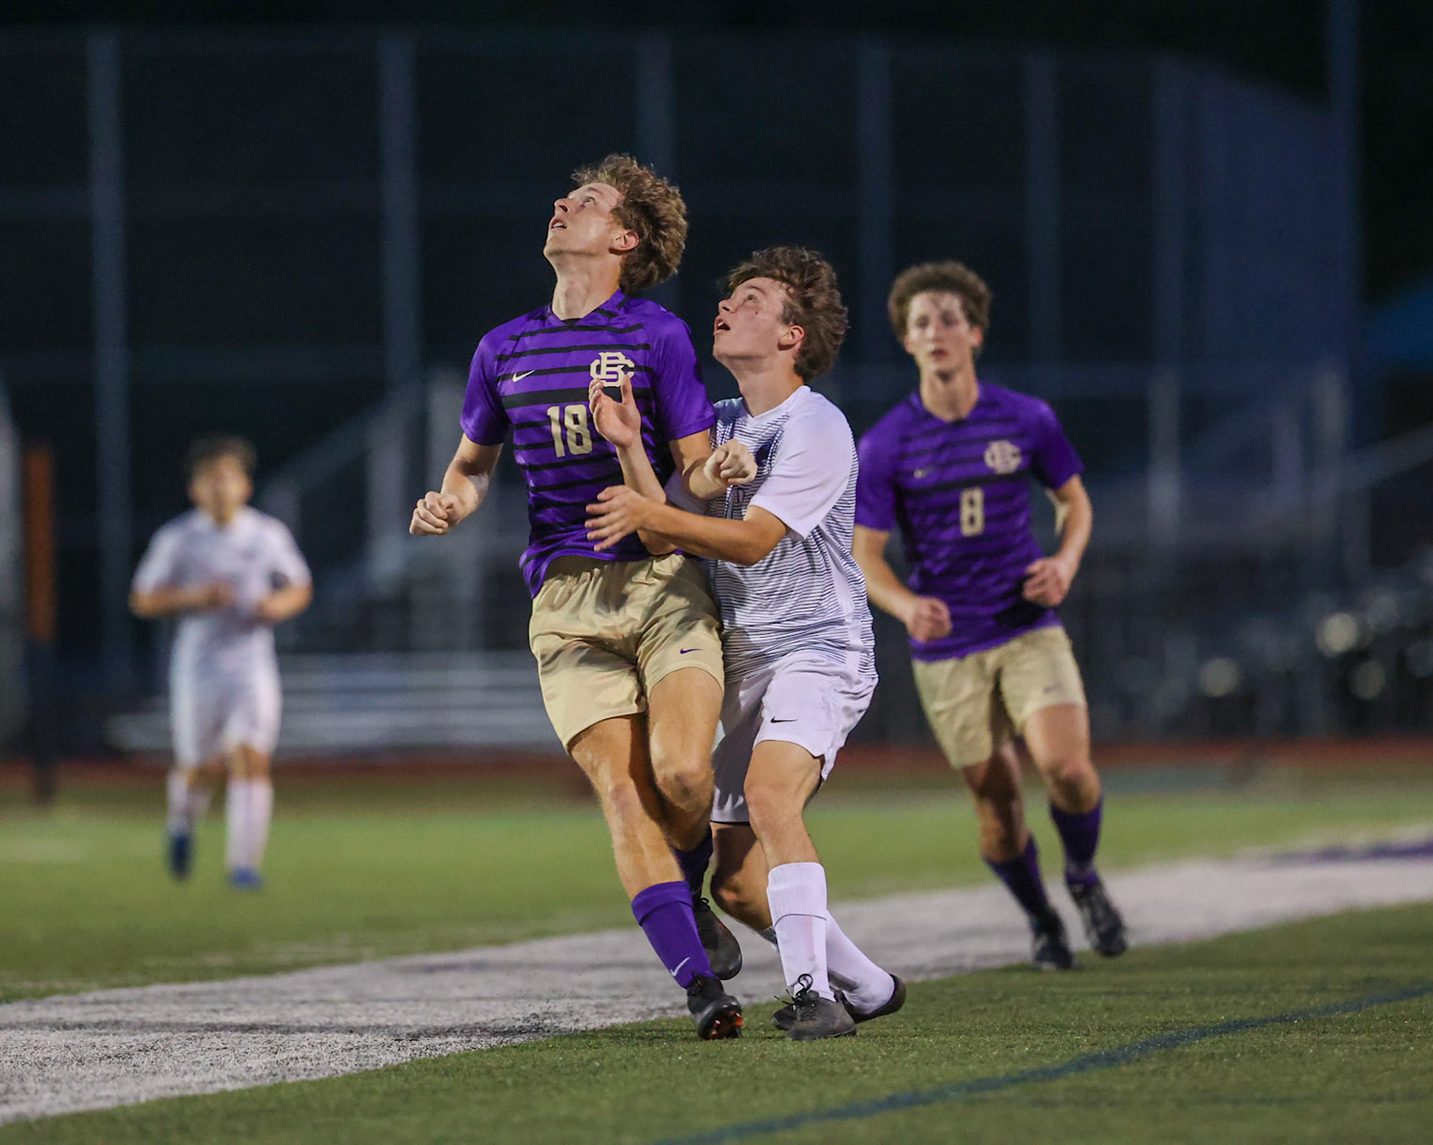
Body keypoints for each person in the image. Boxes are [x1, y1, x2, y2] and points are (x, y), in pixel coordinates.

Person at [410, 155, 753, 1040]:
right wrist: (452, 499)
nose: (563, 204)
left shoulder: (659, 336)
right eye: (566, 196)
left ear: (623, 239)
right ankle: (699, 985)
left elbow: (694, 475)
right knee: (621, 789)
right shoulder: (503, 348)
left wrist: (728, 462)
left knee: (682, 773)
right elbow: (472, 465)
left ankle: (694, 886)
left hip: (663, 582)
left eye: (587, 202)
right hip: (565, 601)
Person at [587, 246, 903, 1041]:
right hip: (743, 659)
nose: (728, 305)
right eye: (731, 296)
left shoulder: (816, 424)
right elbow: (666, 524)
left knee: (769, 798)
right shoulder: (723, 426)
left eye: (752, 298)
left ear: (793, 335)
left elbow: (754, 540)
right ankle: (867, 984)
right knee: (733, 886)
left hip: (819, 651)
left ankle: (813, 994)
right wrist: (630, 444)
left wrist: (651, 513)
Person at [852, 261, 1126, 968]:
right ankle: (1042, 920)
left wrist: (1063, 564)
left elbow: (1075, 503)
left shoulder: (1026, 417)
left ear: (974, 332)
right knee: (998, 806)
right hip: (949, 650)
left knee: (1067, 769)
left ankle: (1084, 876)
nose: (935, 331)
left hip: (1026, 625)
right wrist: (908, 605)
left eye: (947, 318)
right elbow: (866, 555)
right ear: (907, 343)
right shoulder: (885, 444)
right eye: (920, 323)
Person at [131, 435, 311, 889]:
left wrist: (276, 606)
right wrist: (196, 596)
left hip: (251, 663)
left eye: (228, 477)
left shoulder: (266, 534)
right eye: (210, 479)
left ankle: (243, 866)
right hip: (199, 665)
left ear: (245, 486)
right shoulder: (179, 538)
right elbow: (143, 598)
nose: (219, 487)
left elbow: (299, 586)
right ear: (195, 489)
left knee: (251, 758)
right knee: (198, 767)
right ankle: (181, 824)